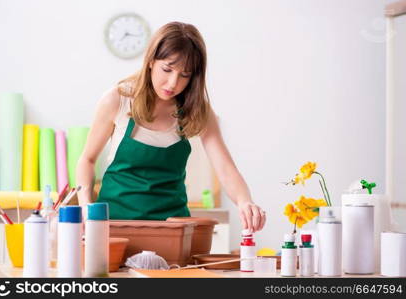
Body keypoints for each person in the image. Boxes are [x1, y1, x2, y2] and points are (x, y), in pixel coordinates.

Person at [76, 22, 266, 232]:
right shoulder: (118, 100)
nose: (172, 83)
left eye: (185, 75)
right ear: (150, 61)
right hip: (115, 226)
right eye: (167, 69)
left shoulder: (197, 110)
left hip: (172, 231)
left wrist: (244, 201)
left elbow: (225, 169)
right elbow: (87, 159)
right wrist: (85, 205)